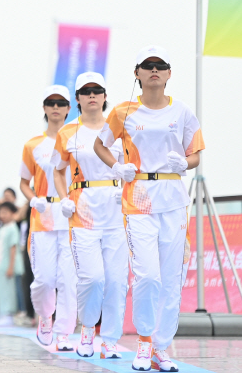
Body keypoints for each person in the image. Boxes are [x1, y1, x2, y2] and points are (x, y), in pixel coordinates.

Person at [94, 46, 205, 372]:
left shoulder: (182, 112)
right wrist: (116, 167)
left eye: (160, 66)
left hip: (173, 198)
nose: (154, 70)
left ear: (169, 74)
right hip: (138, 196)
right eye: (147, 66)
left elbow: (196, 153)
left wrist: (184, 162)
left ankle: (161, 347)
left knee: (171, 279)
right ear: (137, 73)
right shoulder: (123, 111)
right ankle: (144, 341)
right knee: (148, 276)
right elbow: (100, 145)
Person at [52, 72, 128, 359]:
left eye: (97, 90)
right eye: (86, 91)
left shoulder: (119, 128)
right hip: (82, 211)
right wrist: (64, 198)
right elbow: (58, 170)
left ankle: (109, 340)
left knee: (116, 280)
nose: (92, 95)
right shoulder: (68, 132)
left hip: (116, 208)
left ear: (105, 96)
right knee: (92, 278)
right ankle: (87, 331)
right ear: (78, 99)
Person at [19, 84, 77, 351]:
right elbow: (23, 182)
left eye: (61, 103)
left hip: (72, 215)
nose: (55, 107)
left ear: (68, 108)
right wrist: (33, 199)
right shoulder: (33, 145)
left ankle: (64, 332)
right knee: (44, 279)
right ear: (44, 108)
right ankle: (45, 316)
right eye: (51, 103)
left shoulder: (78, 140)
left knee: (68, 278)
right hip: (43, 216)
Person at [0, 202, 24, 326]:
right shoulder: (3, 228)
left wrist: (10, 266)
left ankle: (9, 315)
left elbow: (13, 248)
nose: (2, 215)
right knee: (3, 290)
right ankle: (4, 313)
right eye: (0, 212)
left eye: (5, 212)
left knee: (10, 291)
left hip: (9, 264)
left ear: (13, 214)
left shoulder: (12, 227)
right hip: (2, 264)